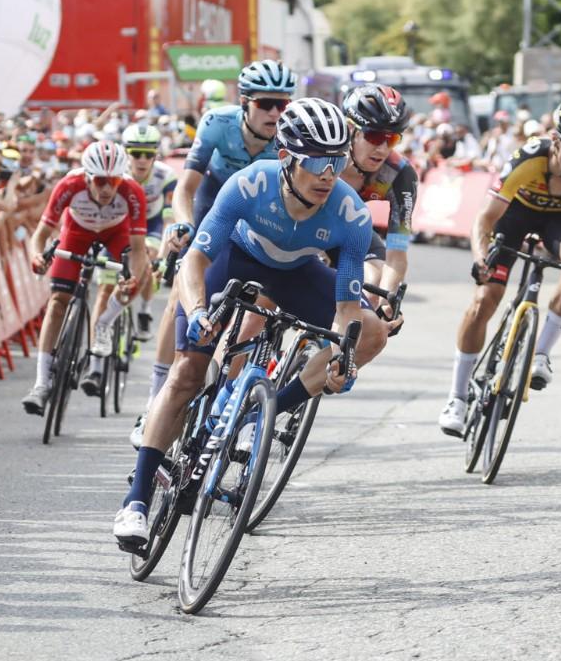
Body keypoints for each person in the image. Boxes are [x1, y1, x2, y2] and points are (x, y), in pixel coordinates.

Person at [112, 98, 394, 546]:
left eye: (337, 160)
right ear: (286, 158)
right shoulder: (249, 184)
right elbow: (195, 261)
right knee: (187, 372)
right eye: (317, 161)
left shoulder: (350, 215)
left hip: (297, 272)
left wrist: (343, 357)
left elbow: (345, 310)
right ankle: (137, 499)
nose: (328, 174)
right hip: (236, 260)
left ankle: (264, 410)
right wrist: (200, 311)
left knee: (371, 332)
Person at [128, 60, 295, 447]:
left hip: (258, 212)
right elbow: (185, 189)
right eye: (266, 103)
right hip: (214, 198)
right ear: (244, 103)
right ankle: (155, 400)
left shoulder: (288, 137)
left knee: (259, 301)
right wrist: (184, 224)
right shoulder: (217, 123)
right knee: (183, 291)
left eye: (283, 105)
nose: (275, 113)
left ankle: (229, 396)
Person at [437, 98, 561, 436]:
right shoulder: (528, 159)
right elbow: (485, 218)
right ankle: (457, 397)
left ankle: (542, 354)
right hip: (515, 215)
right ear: (557, 140)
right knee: (485, 299)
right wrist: (480, 259)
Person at [20, 141, 149, 414]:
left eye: (113, 181)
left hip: (117, 233)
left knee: (138, 276)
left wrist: (134, 278)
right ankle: (42, 383)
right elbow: (41, 236)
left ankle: (104, 323)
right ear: (88, 177)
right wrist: (36, 256)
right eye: (100, 181)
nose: (106, 189)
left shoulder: (132, 192)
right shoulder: (69, 185)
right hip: (77, 231)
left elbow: (138, 251)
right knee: (58, 302)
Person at [78, 124, 177, 394]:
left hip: (153, 224)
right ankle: (96, 368)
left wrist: (164, 253)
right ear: (126, 153)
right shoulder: (113, 175)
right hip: (119, 226)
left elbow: (169, 217)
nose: (142, 160)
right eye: (136, 154)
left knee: (146, 255)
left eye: (148, 154)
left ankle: (144, 311)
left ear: (156, 155)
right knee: (104, 291)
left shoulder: (166, 176)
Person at [337, 84, 418, 310]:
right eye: (373, 136)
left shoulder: (400, 174)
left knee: (372, 288)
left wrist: (387, 301)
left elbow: (397, 253)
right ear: (350, 129)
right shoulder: (327, 155)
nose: (382, 149)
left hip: (350, 228)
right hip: (307, 223)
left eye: (391, 140)